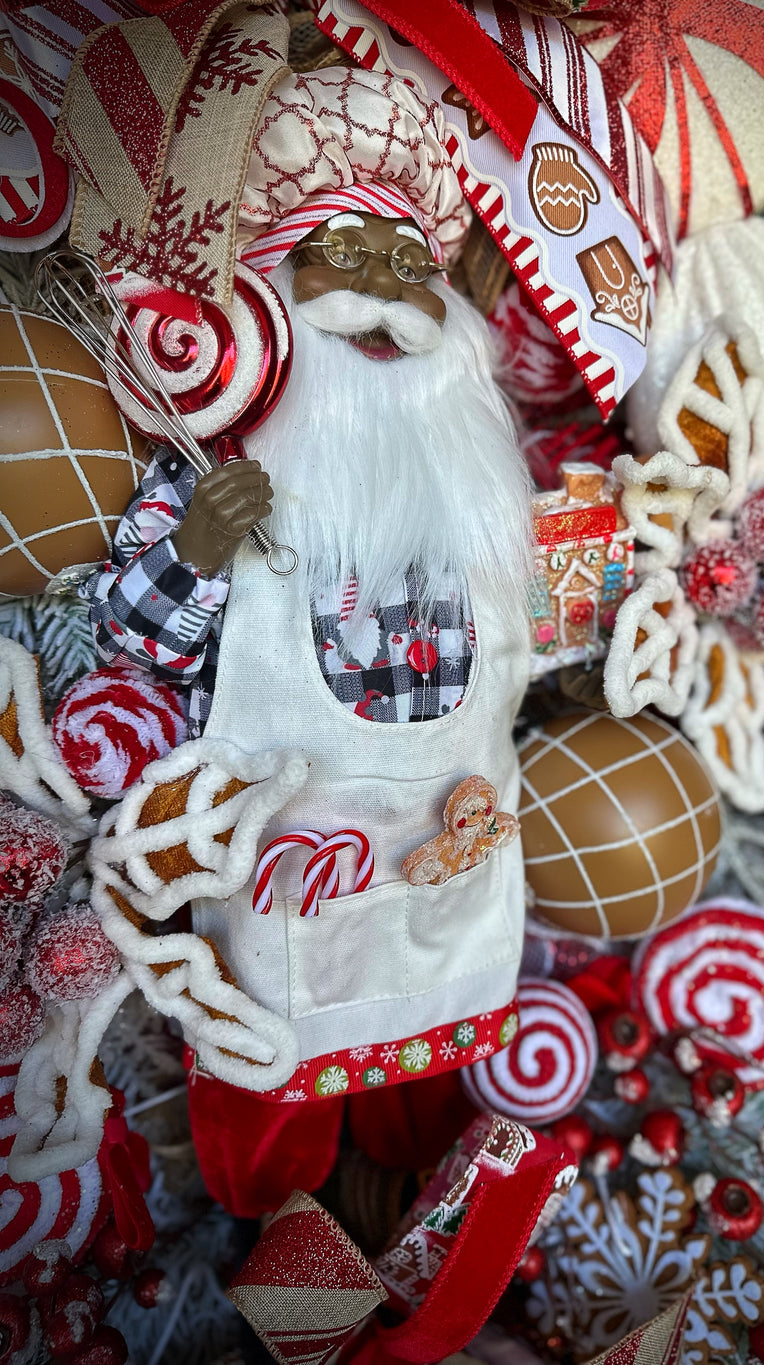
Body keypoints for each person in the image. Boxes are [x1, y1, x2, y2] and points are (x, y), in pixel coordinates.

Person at [85, 179, 536, 1216]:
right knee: (271, 1056)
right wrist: (198, 543)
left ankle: (412, 1161)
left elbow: (532, 639)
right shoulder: (220, 465)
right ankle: (273, 1202)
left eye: (409, 265)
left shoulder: (488, 482)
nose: (381, 291)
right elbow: (138, 636)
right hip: (289, 867)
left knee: (425, 1084)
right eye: (343, 254)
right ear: (270, 295)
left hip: (455, 855)